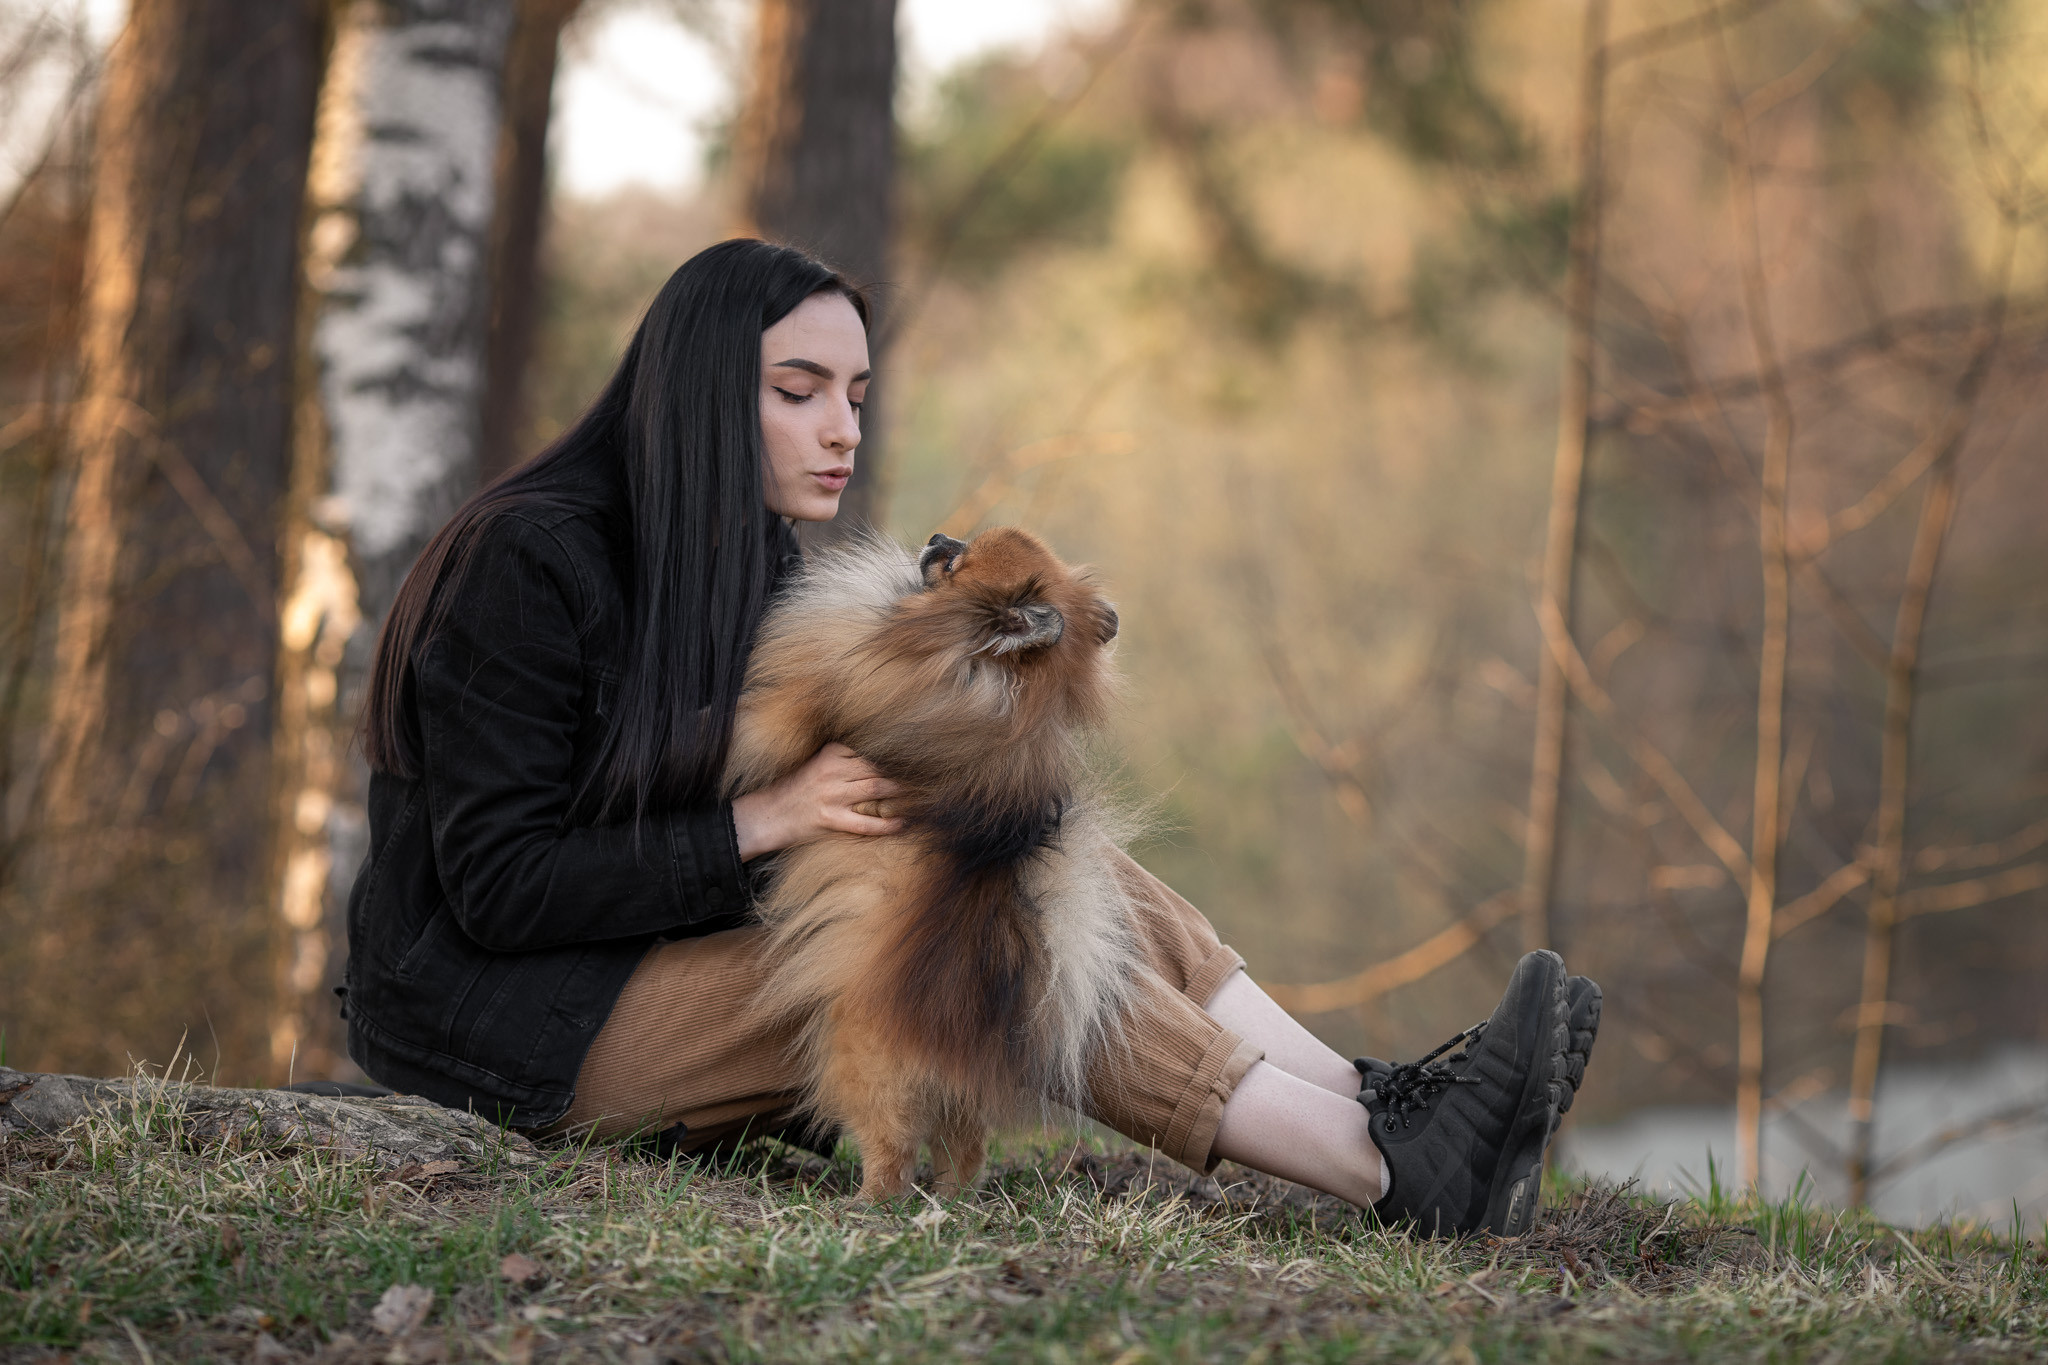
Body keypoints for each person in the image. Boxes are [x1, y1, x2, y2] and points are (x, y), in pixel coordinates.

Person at [344, 239, 1601, 1236]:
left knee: (1043, 850)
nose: (842, 428)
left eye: (854, 393)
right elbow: (498, 887)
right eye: (798, 393)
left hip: (654, 959)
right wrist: (767, 820)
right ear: (695, 394)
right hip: (512, 1029)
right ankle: (1381, 1169)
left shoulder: (740, 560)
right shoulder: (526, 561)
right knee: (974, 933)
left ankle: (1381, 1103)